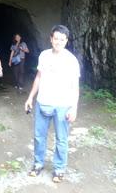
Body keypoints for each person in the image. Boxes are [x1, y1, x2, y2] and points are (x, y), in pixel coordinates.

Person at [25, 25, 80, 183]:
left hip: (63, 105)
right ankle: (38, 164)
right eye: (56, 38)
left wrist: (74, 107)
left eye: (62, 39)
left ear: (66, 41)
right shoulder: (44, 56)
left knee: (61, 139)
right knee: (38, 136)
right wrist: (30, 98)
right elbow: (38, 77)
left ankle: (59, 169)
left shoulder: (71, 60)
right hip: (43, 102)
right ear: (51, 39)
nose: (58, 42)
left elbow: (75, 87)